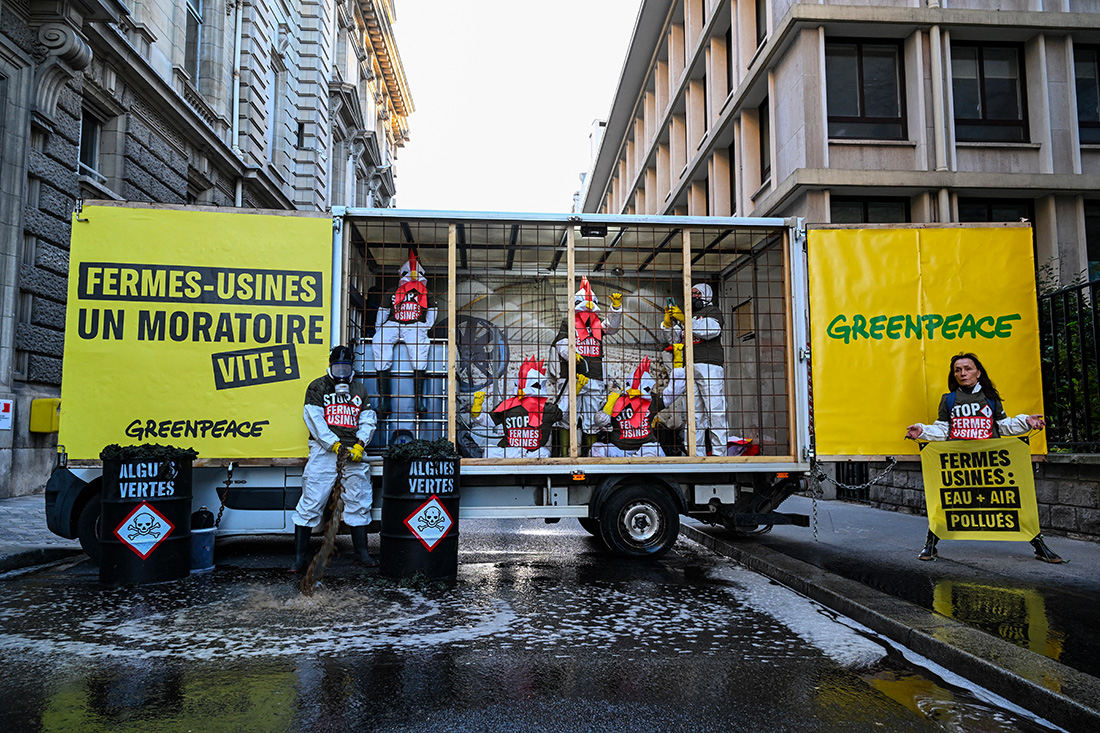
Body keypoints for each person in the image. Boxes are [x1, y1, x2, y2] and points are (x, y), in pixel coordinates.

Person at [906, 352, 1062, 563]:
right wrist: (921, 431)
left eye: (968, 368)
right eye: (958, 370)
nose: (963, 373)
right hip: (960, 463)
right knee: (947, 502)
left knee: (1011, 502)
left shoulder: (990, 398)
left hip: (990, 460)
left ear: (978, 372)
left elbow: (1003, 426)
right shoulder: (949, 399)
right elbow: (943, 429)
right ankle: (930, 544)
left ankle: (1038, 544)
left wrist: (1026, 421)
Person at [290, 345, 379, 572]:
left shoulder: (359, 388)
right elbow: (314, 420)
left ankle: (362, 553)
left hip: (352, 452)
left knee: (358, 500)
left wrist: (360, 444)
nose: (341, 372)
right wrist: (333, 444)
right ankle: (299, 559)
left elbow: (368, 419)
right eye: (337, 367)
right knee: (312, 500)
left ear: (351, 368)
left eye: (345, 367)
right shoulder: (318, 386)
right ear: (330, 365)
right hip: (324, 452)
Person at [552, 277, 622, 449]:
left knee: (592, 419)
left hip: (595, 378)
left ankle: (590, 454)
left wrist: (616, 308)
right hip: (571, 377)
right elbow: (560, 342)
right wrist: (571, 354)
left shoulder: (598, 324)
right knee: (566, 416)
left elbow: (612, 327)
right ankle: (565, 454)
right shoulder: (568, 322)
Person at [662, 282, 727, 456]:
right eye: (692, 293)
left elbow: (710, 330)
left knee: (715, 410)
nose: (694, 296)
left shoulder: (713, 312)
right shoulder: (688, 315)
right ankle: (695, 453)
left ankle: (720, 453)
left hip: (709, 365)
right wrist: (668, 323)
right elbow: (674, 339)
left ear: (707, 295)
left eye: (698, 293)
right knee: (694, 413)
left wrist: (685, 320)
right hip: (689, 365)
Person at [371, 250, 437, 415]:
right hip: (394, 323)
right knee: (379, 342)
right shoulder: (393, 291)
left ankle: (418, 400)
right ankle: (384, 400)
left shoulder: (425, 292)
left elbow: (433, 310)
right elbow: (384, 310)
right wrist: (379, 329)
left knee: (420, 347)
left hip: (414, 325)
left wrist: (426, 326)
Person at [590, 357, 687, 458]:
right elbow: (600, 421)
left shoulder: (652, 401)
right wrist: (604, 413)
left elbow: (670, 395)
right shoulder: (615, 400)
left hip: (645, 447)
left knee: (650, 451)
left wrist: (678, 374)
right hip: (619, 448)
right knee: (597, 448)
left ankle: (638, 464)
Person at [473, 356, 563, 458]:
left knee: (543, 453)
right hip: (510, 452)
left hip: (532, 454)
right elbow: (565, 415)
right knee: (490, 452)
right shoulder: (507, 406)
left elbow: (564, 416)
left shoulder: (546, 409)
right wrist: (476, 410)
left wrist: (477, 413)